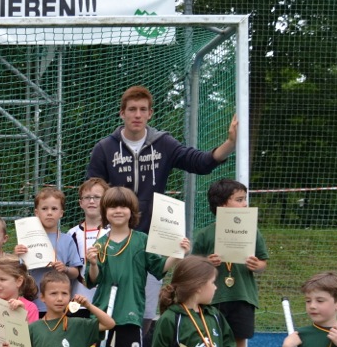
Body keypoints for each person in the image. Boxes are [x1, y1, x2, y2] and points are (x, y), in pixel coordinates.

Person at [84, 186, 188, 347]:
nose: (118, 211)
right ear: (104, 211)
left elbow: (159, 267)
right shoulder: (100, 244)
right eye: (112, 206)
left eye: (123, 206)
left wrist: (177, 253)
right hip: (103, 309)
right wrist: (92, 263)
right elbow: (93, 281)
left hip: (131, 308)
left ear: (132, 211)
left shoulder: (142, 240)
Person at [86, 85, 238, 236]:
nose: (137, 115)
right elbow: (93, 193)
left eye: (143, 109)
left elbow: (200, 163)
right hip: (115, 232)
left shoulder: (164, 144)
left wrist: (231, 143)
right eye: (132, 109)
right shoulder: (104, 148)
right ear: (122, 113)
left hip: (154, 233)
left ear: (150, 113)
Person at [190, 178, 269, 347]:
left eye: (244, 199)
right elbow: (194, 263)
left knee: (239, 343)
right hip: (212, 298)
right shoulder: (205, 234)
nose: (245, 204)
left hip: (242, 296)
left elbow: (263, 261)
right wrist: (208, 261)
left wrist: (258, 265)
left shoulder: (252, 231)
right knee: (209, 343)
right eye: (239, 199)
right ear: (223, 204)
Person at [66, 177, 115, 347]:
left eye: (98, 196)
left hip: (105, 299)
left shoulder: (113, 231)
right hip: (78, 299)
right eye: (88, 197)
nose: (92, 201)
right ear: (81, 203)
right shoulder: (72, 233)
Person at [13, 186, 82, 318]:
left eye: (54, 209)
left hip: (58, 304)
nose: (49, 213)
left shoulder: (67, 240)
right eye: (44, 209)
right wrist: (17, 255)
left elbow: (75, 272)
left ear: (61, 213)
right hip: (32, 302)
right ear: (36, 212)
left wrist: (65, 269)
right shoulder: (26, 239)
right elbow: (18, 271)